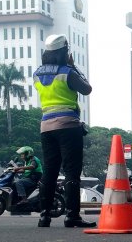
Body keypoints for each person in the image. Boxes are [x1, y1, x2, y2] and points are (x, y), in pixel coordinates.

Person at [33, 34, 96, 228]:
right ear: (64, 52)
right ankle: (72, 216)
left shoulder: (37, 74)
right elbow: (87, 89)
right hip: (68, 126)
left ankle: (44, 216)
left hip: (46, 127)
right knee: (71, 171)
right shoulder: (67, 72)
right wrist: (73, 66)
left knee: (50, 171)